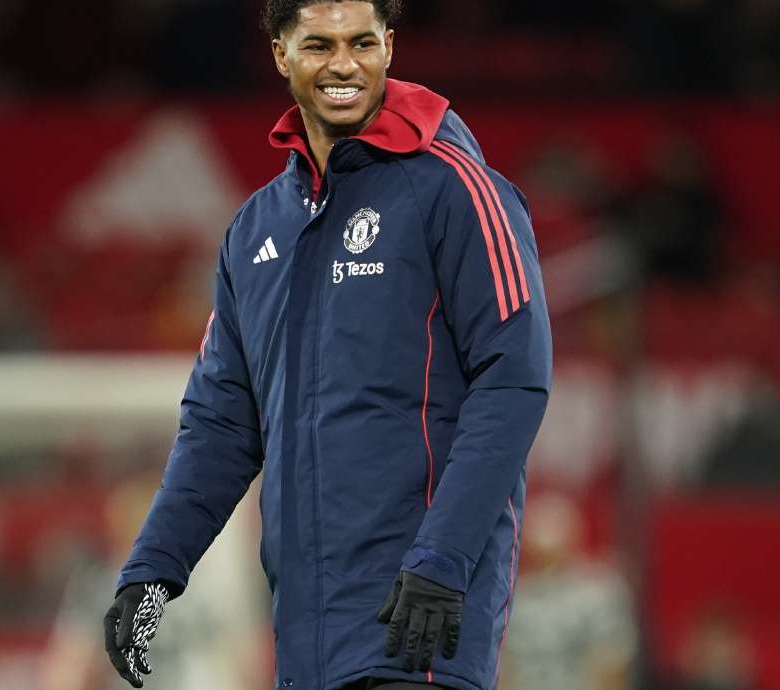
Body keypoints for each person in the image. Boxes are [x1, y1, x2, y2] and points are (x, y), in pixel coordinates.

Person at [103, 2, 552, 690]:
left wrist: (442, 559)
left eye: (362, 42)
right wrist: (154, 570)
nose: (344, 64)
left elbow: (514, 382)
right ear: (280, 54)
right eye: (319, 44)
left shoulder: (457, 190)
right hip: (307, 638)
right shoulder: (255, 232)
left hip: (421, 620)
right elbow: (223, 424)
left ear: (390, 47)